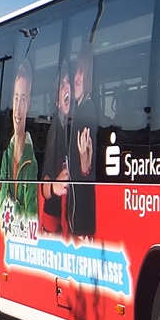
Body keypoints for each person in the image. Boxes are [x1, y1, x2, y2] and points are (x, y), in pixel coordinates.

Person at [0, 59, 39, 220]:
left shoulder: (32, 163)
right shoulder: (6, 156)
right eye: (16, 98)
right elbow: (2, 208)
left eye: (23, 99)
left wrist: (12, 208)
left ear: (28, 103)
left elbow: (30, 216)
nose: (18, 107)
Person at [67, 43, 97, 238]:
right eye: (75, 72)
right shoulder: (82, 110)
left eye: (82, 72)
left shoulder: (86, 111)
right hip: (80, 208)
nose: (76, 78)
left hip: (81, 210)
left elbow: (85, 167)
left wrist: (85, 169)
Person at [39, 59, 72, 234]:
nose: (67, 87)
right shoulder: (56, 130)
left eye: (69, 83)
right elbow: (45, 182)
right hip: (53, 222)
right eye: (62, 84)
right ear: (57, 103)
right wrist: (54, 186)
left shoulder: (71, 126)